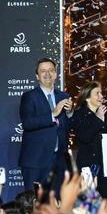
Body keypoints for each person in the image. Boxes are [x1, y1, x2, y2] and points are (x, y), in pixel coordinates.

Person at [18, 57, 74, 191]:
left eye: (50, 70)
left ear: (55, 74)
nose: (47, 73)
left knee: (58, 204)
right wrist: (52, 115)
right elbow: (27, 123)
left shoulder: (64, 96)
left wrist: (70, 112)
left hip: (59, 160)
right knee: (35, 204)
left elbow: (69, 126)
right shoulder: (29, 97)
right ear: (37, 76)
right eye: (43, 71)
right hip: (36, 160)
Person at [72, 82, 107, 193]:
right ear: (87, 97)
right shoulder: (79, 115)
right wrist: (98, 119)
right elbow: (84, 137)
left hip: (105, 166)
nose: (101, 96)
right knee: (89, 202)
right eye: (97, 93)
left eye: (101, 93)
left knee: (106, 201)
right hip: (87, 166)